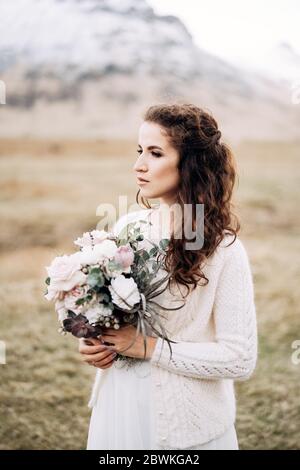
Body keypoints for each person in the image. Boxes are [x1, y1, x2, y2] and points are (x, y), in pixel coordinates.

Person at [78, 103, 258, 450]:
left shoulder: (224, 250)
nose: (139, 165)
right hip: (119, 403)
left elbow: (239, 358)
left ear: (189, 163)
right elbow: (110, 313)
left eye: (155, 153)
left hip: (186, 424)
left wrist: (148, 348)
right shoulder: (128, 227)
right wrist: (92, 340)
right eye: (139, 151)